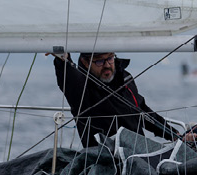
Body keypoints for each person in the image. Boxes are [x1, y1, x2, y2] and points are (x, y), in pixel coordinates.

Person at [52, 52, 184, 147]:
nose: (107, 65)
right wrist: (62, 59)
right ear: (85, 63)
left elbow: (142, 111)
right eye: (99, 61)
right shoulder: (80, 89)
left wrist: (173, 134)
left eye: (110, 58)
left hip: (139, 154)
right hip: (104, 161)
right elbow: (69, 76)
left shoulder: (125, 78)